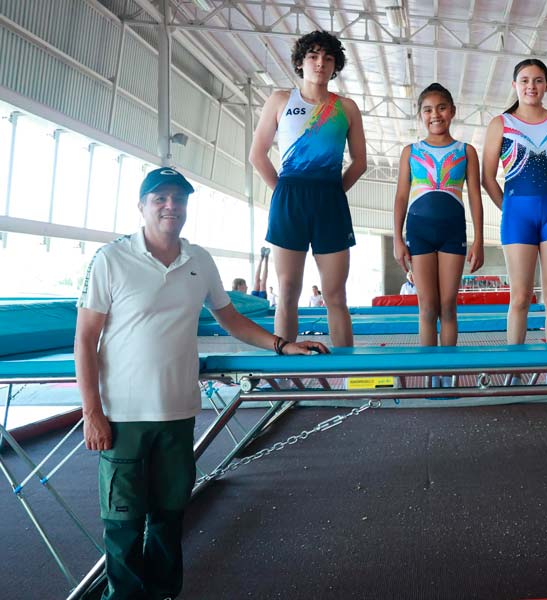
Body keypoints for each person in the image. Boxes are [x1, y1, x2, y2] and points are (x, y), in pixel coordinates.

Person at [74, 167, 329, 600]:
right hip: (122, 417)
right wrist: (92, 412)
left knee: (170, 519)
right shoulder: (110, 259)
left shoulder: (200, 260)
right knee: (123, 524)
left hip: (178, 411)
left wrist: (281, 345)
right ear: (142, 206)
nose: (170, 205)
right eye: (160, 198)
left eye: (178, 199)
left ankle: (164, 594)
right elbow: (85, 338)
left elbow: (230, 320)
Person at [249, 30, 366, 347]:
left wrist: (334, 192)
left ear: (334, 66)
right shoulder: (280, 100)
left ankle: (347, 374)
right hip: (289, 197)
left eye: (328, 58)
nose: (320, 63)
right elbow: (257, 155)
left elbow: (359, 162)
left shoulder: (347, 108)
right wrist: (283, 191)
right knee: (287, 289)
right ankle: (287, 372)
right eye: (313, 56)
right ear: (301, 62)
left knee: (335, 294)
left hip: (330, 199)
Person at [482, 58, 547, 346]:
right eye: (525, 80)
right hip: (517, 217)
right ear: (515, 85)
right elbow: (487, 178)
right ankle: (513, 370)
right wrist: (511, 209)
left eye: (538, 80)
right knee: (520, 297)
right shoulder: (502, 124)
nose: (531, 86)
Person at [393, 82, 484, 347]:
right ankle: (431, 378)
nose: (435, 115)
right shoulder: (410, 152)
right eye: (428, 109)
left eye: (442, 108)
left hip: (452, 232)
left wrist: (478, 240)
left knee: (447, 306)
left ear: (452, 111)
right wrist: (398, 239)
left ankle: (448, 375)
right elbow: (401, 197)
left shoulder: (466, 151)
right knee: (427, 307)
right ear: (420, 114)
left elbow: (476, 197)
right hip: (419, 232)